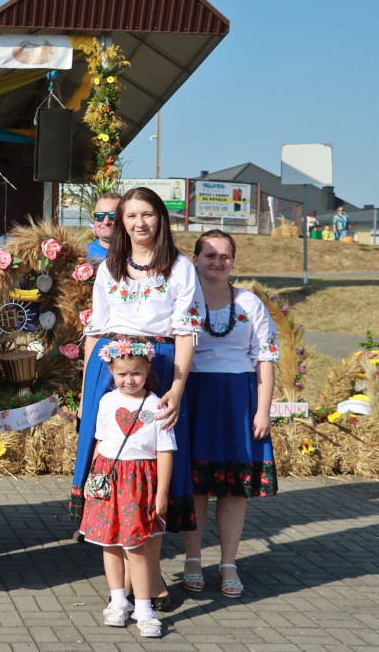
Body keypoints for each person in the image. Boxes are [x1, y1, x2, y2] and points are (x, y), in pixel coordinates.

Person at [73, 186, 203, 607]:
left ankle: (150, 576)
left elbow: (185, 331)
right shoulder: (110, 266)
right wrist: (86, 390)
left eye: (147, 215)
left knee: (149, 470)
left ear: (160, 219)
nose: (138, 223)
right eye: (130, 216)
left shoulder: (180, 267)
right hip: (108, 366)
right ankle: (124, 579)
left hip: (160, 364)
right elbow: (95, 329)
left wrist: (176, 388)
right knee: (113, 467)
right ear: (120, 222)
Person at [182, 230, 279, 598]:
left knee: (234, 488)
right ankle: (192, 559)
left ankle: (228, 563)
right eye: (209, 255)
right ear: (195, 260)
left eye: (225, 256)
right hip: (196, 396)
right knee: (196, 485)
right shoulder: (184, 301)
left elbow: (265, 359)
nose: (217, 262)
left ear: (233, 262)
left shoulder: (250, 303)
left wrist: (263, 410)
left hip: (239, 398)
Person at [80, 340, 174, 638]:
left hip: (139, 481)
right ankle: (118, 600)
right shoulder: (107, 401)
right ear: (111, 370)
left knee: (137, 545)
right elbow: (100, 442)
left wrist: (161, 493)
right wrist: (91, 480)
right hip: (109, 478)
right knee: (108, 542)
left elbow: (165, 451)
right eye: (122, 374)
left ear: (147, 369)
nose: (129, 380)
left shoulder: (156, 404)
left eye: (135, 373)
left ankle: (144, 607)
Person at [85, 192, 122, 262]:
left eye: (113, 216)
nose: (106, 222)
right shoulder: (83, 255)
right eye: (100, 216)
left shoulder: (138, 253)